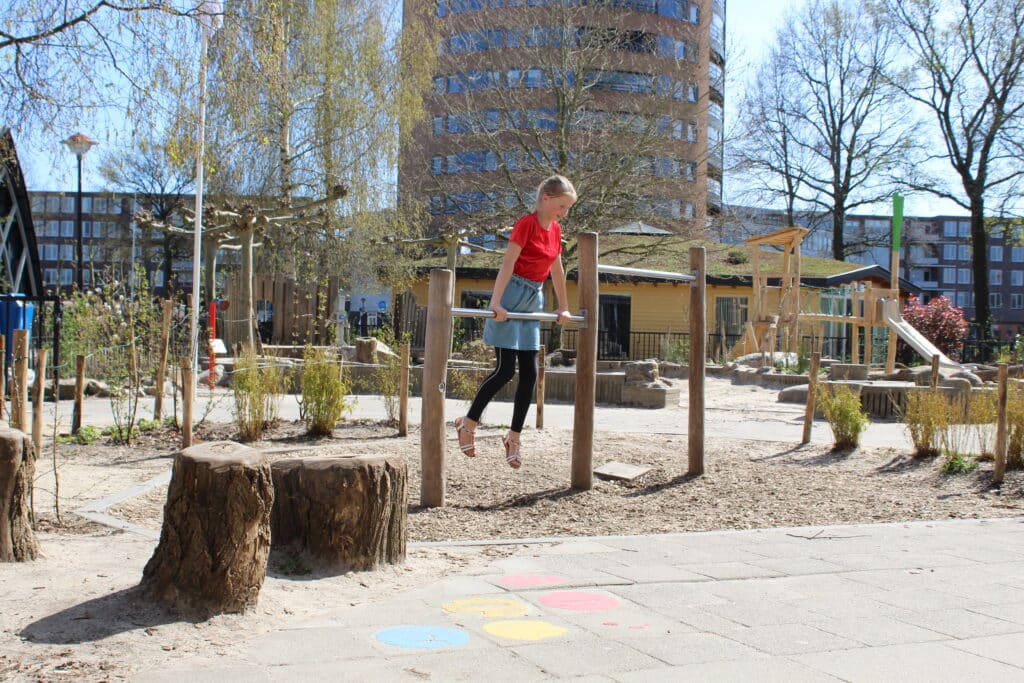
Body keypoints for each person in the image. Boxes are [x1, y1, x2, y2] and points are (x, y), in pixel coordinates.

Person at [454, 175, 576, 469]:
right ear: (546, 198)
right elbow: (507, 264)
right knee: (505, 369)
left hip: (533, 298)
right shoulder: (526, 224)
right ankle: (468, 423)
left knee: (530, 374)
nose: (564, 212)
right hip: (511, 295)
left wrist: (563, 306)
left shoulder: (555, 230)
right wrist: (496, 302)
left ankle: (514, 436)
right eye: (562, 206)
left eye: (568, 208)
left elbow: (557, 270)